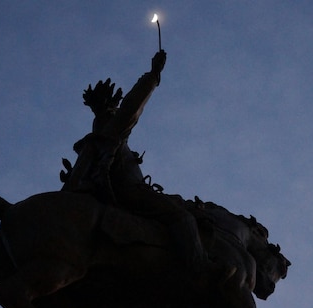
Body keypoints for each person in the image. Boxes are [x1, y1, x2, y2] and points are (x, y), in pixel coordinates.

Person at [61, 50, 208, 272]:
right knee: (183, 218)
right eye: (114, 106)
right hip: (127, 191)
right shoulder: (111, 126)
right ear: (109, 107)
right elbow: (132, 107)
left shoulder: (97, 131)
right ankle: (201, 271)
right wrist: (154, 75)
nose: (117, 108)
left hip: (112, 191)